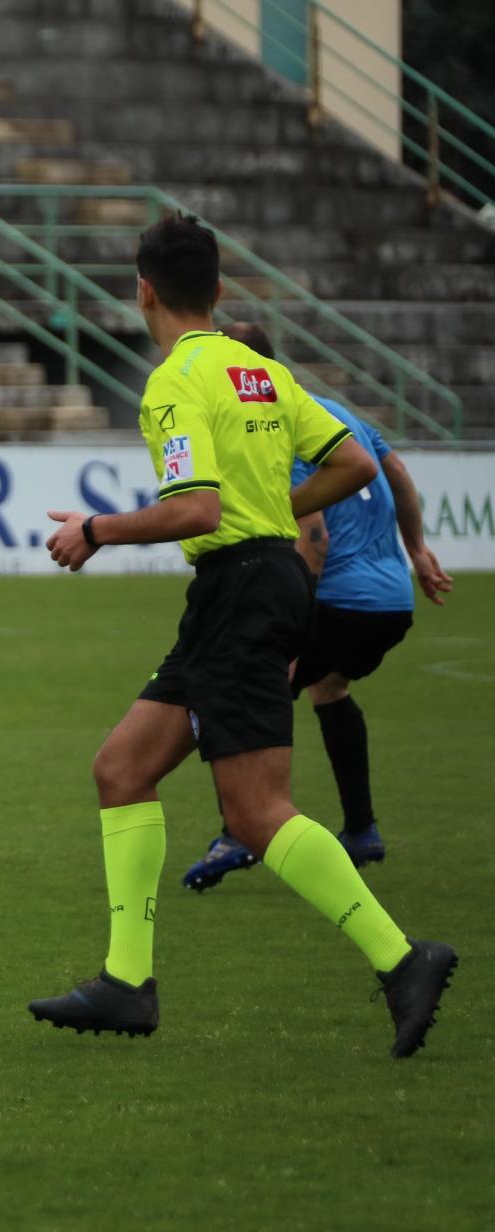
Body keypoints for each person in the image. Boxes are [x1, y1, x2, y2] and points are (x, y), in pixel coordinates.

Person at [27, 216, 456, 1058]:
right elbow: (357, 465)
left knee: (257, 813)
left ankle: (403, 959)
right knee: (122, 769)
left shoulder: (174, 382)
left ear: (143, 291)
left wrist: (97, 529)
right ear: (219, 290)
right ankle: (126, 983)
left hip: (241, 591)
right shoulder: (260, 371)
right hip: (258, 584)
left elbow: (196, 510)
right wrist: (272, 511)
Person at [183, 322, 455, 892]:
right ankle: (361, 829)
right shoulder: (333, 411)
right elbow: (397, 472)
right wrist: (417, 551)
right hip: (391, 600)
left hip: (337, 599)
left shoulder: (271, 421)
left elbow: (315, 537)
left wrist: (290, 624)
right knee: (328, 689)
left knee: (240, 690)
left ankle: (240, 831)